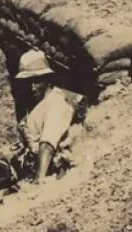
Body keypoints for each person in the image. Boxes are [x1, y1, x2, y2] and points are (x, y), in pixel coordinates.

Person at [15, 50, 83, 184]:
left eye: (37, 81)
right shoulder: (38, 103)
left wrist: (38, 181)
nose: (33, 87)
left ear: (47, 78)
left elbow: (47, 145)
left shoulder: (56, 102)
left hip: (46, 168)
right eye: (28, 82)